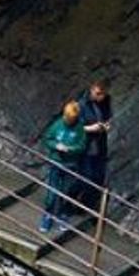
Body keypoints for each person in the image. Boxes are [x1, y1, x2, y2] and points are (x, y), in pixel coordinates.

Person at [39, 101, 88, 233]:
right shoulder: (58, 124)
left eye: (71, 118)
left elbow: (82, 146)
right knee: (52, 191)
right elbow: (48, 139)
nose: (68, 120)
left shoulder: (79, 129)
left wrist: (70, 149)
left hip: (71, 164)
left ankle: (63, 215)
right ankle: (48, 215)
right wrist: (56, 146)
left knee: (66, 191)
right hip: (56, 161)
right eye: (67, 117)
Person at [78, 82, 113, 216]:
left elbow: (108, 116)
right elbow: (75, 126)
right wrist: (90, 128)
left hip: (99, 145)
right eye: (98, 94)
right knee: (86, 175)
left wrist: (106, 125)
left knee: (98, 177)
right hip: (86, 146)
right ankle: (77, 204)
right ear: (92, 90)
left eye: (102, 94)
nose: (100, 97)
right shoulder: (82, 104)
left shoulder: (105, 102)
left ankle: (88, 205)